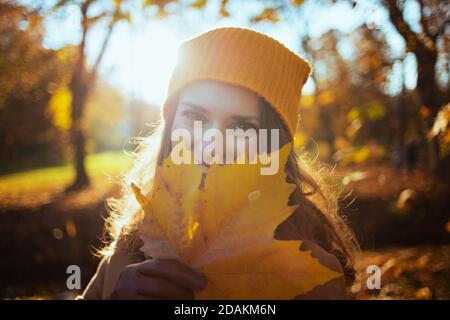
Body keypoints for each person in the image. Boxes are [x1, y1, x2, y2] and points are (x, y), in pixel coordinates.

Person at [78, 27, 358, 300]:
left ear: (275, 148)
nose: (212, 144)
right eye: (195, 117)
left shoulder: (308, 276)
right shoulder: (130, 249)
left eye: (243, 127)